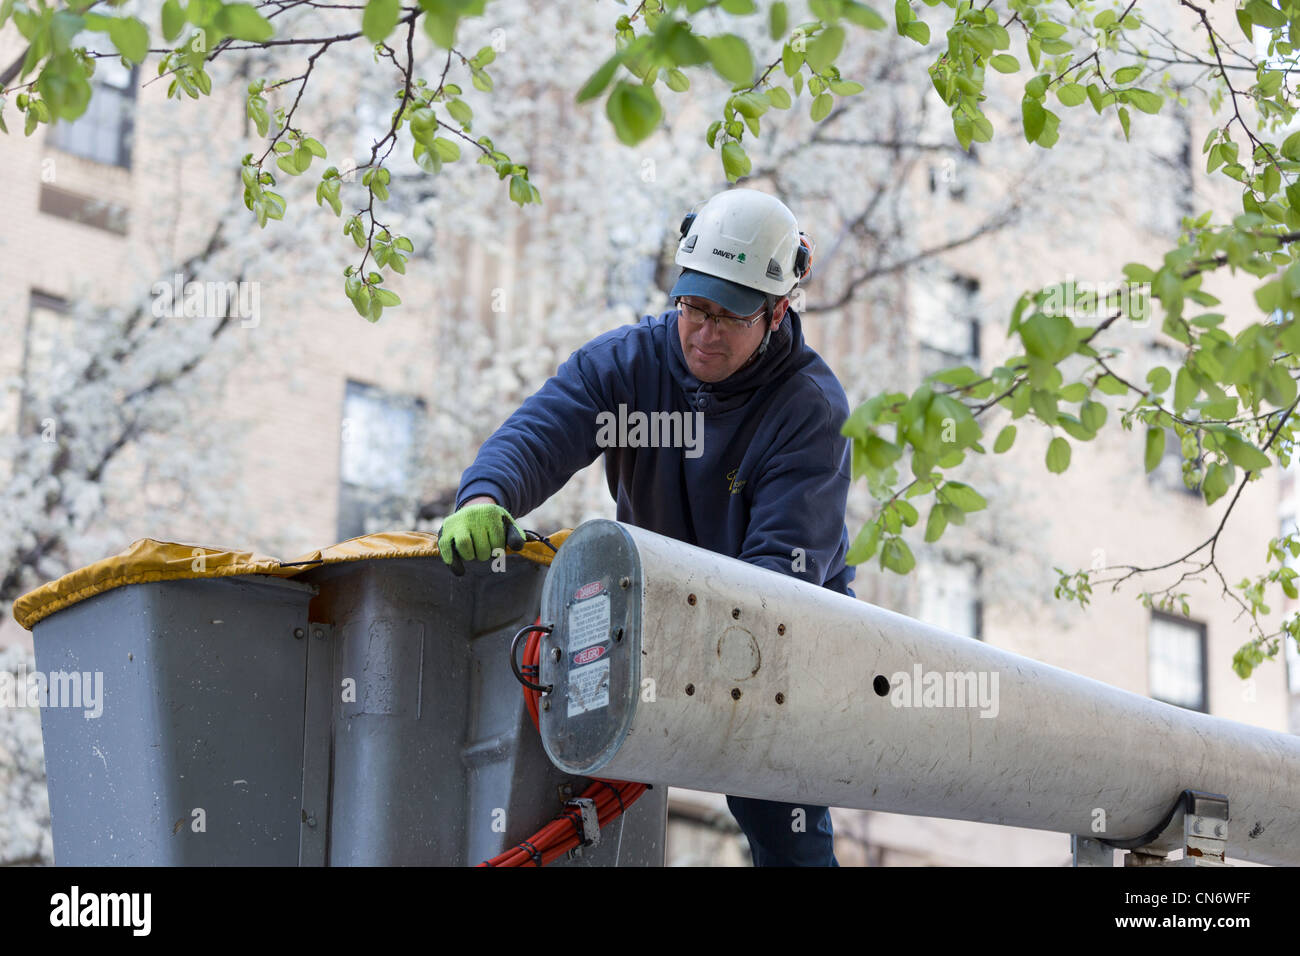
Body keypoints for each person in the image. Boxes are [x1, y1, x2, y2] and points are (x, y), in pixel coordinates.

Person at [438, 186, 855, 866]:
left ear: (777, 311)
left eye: (730, 315)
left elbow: (782, 578)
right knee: (578, 791)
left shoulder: (808, 410)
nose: (704, 331)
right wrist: (486, 496)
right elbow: (543, 432)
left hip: (777, 636)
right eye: (693, 307)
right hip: (652, 609)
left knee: (782, 827)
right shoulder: (629, 364)